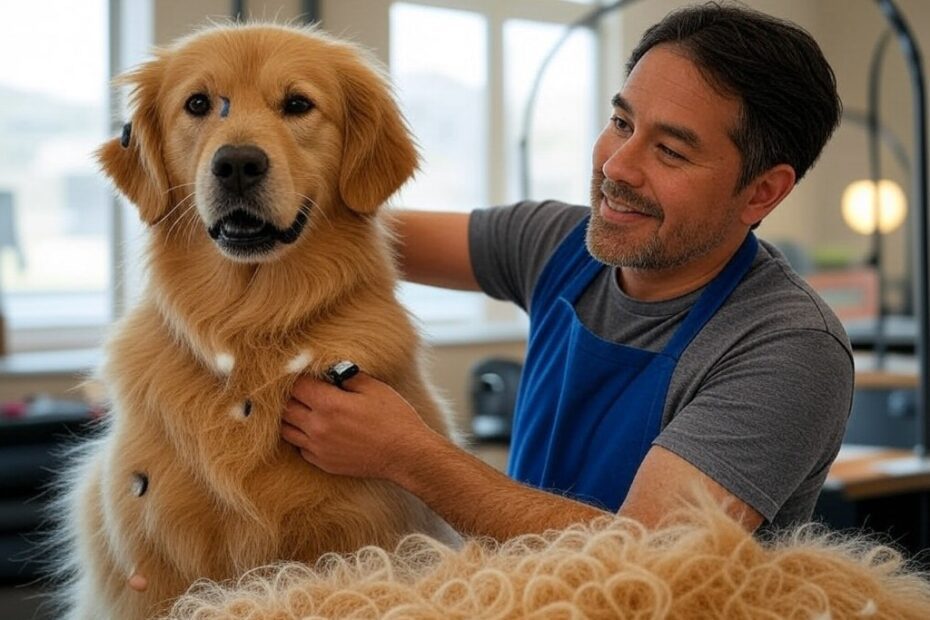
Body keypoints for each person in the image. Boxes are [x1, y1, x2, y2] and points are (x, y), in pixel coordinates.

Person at [280, 2, 853, 541]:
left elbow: (646, 561)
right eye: (622, 123)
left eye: (671, 152)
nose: (617, 167)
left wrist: (408, 454)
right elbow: (349, 230)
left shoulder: (789, 347)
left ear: (762, 192)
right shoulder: (557, 245)